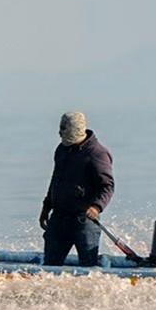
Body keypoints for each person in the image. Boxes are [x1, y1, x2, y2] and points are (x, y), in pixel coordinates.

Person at [39, 111, 114, 267]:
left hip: (84, 221)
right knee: (50, 266)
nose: (59, 133)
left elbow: (107, 186)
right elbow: (55, 181)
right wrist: (46, 207)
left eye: (63, 128)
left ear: (74, 130)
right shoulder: (61, 150)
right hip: (59, 219)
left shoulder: (97, 153)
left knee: (88, 266)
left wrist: (96, 207)